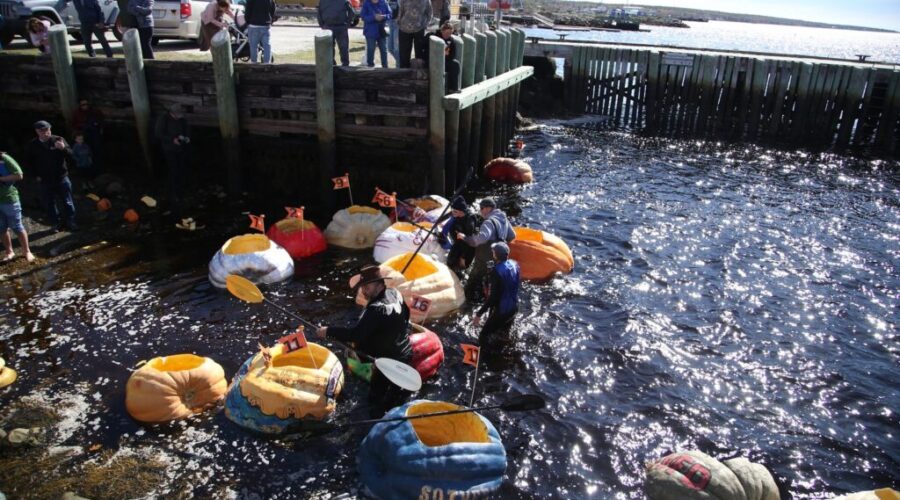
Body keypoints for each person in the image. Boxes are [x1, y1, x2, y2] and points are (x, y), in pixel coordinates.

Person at [316, 265, 414, 417]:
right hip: (405, 353)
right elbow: (407, 317)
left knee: (375, 400)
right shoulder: (395, 293)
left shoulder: (376, 309)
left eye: (367, 287)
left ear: (379, 284)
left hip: (389, 363)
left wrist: (328, 331)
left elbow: (356, 335)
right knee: (397, 398)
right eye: (362, 287)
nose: (363, 291)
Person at [24, 120, 77, 232]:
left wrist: (63, 149)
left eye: (47, 130)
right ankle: (55, 223)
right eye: (42, 131)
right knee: (49, 203)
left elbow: (72, 156)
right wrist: (36, 175)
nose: (45, 133)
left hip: (61, 177)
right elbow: (28, 162)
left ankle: (71, 221)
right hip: (45, 179)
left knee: (67, 201)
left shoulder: (58, 139)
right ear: (37, 131)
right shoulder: (33, 145)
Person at [459, 197, 515, 301]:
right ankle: (487, 298)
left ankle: (468, 301)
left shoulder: (488, 222)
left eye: (482, 208)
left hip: (485, 257)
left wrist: (465, 238)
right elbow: (512, 236)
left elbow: (480, 239)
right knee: (490, 279)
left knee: (474, 280)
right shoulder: (503, 218)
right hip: (498, 257)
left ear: (488, 208)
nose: (480, 211)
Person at [473, 241, 519, 346]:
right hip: (514, 307)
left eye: (493, 252)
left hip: (502, 311)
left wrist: (479, 314)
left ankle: (480, 358)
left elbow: (492, 298)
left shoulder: (496, 272)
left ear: (495, 255)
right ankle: (502, 353)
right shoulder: (515, 264)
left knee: (483, 335)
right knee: (503, 333)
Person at [154, 104, 190, 217]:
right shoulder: (163, 119)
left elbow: (186, 128)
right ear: (172, 113)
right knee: (173, 169)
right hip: (169, 148)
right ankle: (174, 191)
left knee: (182, 167)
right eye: (177, 115)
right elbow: (158, 134)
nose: (180, 116)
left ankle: (181, 186)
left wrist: (187, 137)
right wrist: (172, 139)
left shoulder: (182, 120)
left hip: (181, 148)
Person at [0, 152, 36, 263]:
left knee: (16, 226)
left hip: (9, 198)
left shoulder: (4, 158)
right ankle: (9, 252)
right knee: (1, 227)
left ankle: (26, 251)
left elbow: (19, 175)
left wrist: (1, 179)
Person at [440, 195, 480, 274]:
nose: (453, 213)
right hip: (458, 242)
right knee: (450, 262)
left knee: (461, 267)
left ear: (462, 211)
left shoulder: (469, 221)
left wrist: (463, 257)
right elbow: (447, 216)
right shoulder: (456, 214)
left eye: (455, 211)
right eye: (453, 210)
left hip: (467, 246)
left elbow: (469, 241)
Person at [317, 0, 354, 67]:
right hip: (328, 27)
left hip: (341, 27)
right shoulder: (322, 1)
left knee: (343, 47)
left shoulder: (344, 1)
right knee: (328, 48)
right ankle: (331, 65)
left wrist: (347, 24)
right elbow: (319, 13)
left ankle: (345, 65)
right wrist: (322, 25)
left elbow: (351, 12)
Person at [72, 99, 106, 170]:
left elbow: (101, 121)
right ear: (80, 106)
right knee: (84, 152)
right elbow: (74, 125)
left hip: (94, 134)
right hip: (84, 135)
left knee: (96, 151)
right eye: (83, 105)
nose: (85, 106)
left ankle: (98, 167)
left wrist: (99, 127)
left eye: (86, 104)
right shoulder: (77, 113)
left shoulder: (94, 112)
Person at [395, 0, 430, 68]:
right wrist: (399, 22)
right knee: (404, 55)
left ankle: (419, 73)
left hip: (419, 29)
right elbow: (400, 12)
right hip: (404, 29)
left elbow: (429, 13)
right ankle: (404, 73)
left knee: (419, 54)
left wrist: (425, 25)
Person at [361, 0, 391, 68]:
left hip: (381, 31)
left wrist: (383, 16)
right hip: (370, 31)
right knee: (371, 49)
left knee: (384, 50)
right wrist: (373, 17)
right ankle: (370, 66)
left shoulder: (384, 2)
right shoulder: (366, 3)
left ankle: (385, 67)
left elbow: (390, 14)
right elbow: (363, 16)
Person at [429, 22, 459, 91]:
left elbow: (453, 54)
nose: (448, 35)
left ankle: (453, 88)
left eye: (450, 33)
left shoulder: (451, 40)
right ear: (442, 31)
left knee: (455, 64)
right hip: (434, 61)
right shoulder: (434, 37)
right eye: (446, 33)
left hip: (445, 61)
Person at [386, 0, 399, 67]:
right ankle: (401, 63)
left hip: (398, 25)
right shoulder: (388, 1)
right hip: (390, 24)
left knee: (396, 49)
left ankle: (399, 66)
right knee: (390, 48)